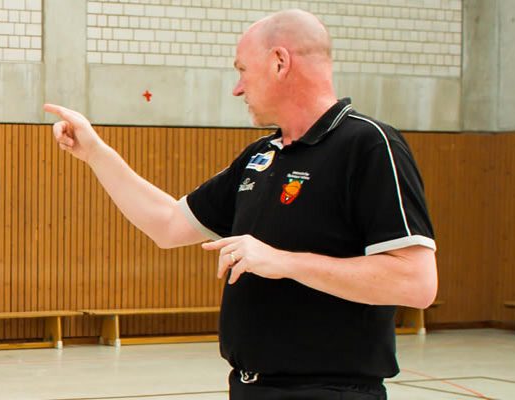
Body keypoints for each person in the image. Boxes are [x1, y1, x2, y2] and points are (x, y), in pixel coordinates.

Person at [39, 9, 437, 398]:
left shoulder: (368, 145)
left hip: (330, 389)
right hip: (249, 386)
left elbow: (416, 283)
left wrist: (283, 261)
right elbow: (166, 224)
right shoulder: (260, 157)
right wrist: (95, 152)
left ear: (280, 62)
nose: (237, 88)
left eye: (243, 70)